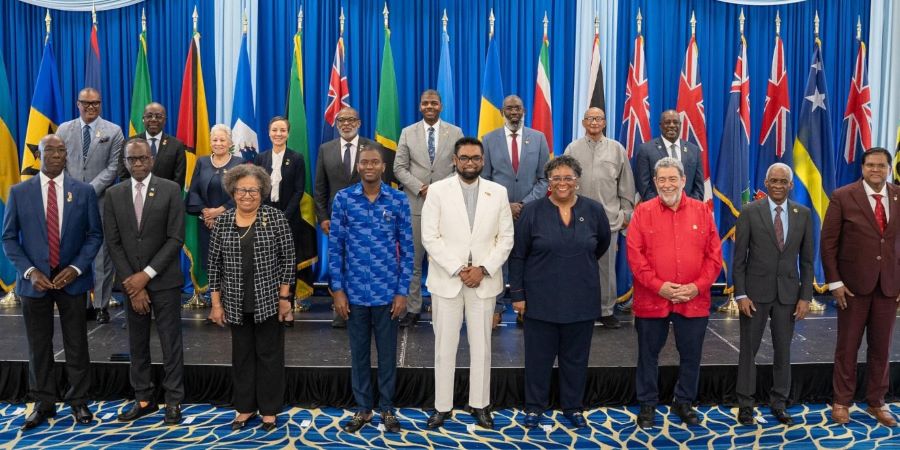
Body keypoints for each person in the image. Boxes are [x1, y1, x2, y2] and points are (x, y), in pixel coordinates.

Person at [2, 134, 102, 430]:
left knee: (77, 344)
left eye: (61, 150)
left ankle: (78, 401)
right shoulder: (19, 192)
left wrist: (76, 268)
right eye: (50, 150)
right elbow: (8, 238)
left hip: (71, 281)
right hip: (35, 283)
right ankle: (43, 403)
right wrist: (30, 272)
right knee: (38, 345)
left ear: (66, 154)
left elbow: (95, 235)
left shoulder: (83, 192)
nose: (56, 154)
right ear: (39, 154)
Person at [508, 155, 611, 429]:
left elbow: (600, 244)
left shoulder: (594, 210)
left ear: (577, 181)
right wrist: (517, 295)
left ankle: (573, 407)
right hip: (539, 302)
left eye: (568, 178)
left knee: (575, 359)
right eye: (556, 178)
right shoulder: (531, 212)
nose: (562, 183)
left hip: (581, 299)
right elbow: (518, 255)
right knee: (538, 358)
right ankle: (534, 407)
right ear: (548, 183)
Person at [421, 137, 514, 430]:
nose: (470, 163)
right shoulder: (436, 191)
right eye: (464, 158)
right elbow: (430, 237)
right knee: (444, 347)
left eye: (475, 158)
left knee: (482, 347)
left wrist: (482, 269)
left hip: (484, 282)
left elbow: (506, 238)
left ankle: (480, 404)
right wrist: (460, 269)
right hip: (448, 280)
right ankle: (442, 407)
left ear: (483, 161)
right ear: (454, 160)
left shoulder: (498, 192)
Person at [626, 157, 722, 429]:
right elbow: (635, 258)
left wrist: (696, 287)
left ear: (683, 180)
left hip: (693, 300)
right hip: (652, 299)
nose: (667, 185)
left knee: (691, 355)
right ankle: (647, 404)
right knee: (648, 355)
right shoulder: (642, 212)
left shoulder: (702, 211)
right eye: (661, 180)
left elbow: (714, 257)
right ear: (654, 183)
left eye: (672, 179)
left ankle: (684, 402)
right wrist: (660, 286)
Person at [329, 146, 414, 433]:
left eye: (374, 162)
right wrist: (337, 290)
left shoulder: (398, 200)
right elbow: (335, 248)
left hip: (388, 294)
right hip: (353, 295)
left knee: (388, 355)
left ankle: (387, 409)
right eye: (364, 162)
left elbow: (409, 251)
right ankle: (364, 409)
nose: (369, 166)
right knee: (359, 354)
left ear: (383, 167)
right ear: (358, 167)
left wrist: (403, 292)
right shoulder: (343, 199)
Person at [104, 139, 186, 426]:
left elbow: (176, 238)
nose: (137, 164)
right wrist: (132, 283)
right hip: (130, 284)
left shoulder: (171, 190)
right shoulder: (113, 195)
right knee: (136, 342)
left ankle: (173, 401)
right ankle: (143, 398)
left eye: (142, 159)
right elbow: (113, 243)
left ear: (151, 159)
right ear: (124, 162)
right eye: (131, 160)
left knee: (170, 342)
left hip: (164, 281)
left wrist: (146, 275)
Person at [207, 164, 295, 431]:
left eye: (253, 190)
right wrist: (215, 304)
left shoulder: (275, 218)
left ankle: (269, 410)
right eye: (242, 190)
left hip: (268, 302)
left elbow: (288, 260)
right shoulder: (222, 221)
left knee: (270, 356)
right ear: (233, 192)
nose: (247, 195)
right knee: (242, 357)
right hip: (234, 302)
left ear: (263, 192)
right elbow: (214, 266)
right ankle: (244, 408)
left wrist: (284, 298)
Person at [822, 147, 900, 427]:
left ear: (889, 169)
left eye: (881, 165)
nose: (876, 170)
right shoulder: (843, 196)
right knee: (848, 347)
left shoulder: (898, 196)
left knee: (882, 348)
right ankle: (842, 402)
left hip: (889, 287)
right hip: (852, 288)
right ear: (863, 168)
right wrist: (835, 282)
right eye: (870, 165)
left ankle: (876, 402)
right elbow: (828, 244)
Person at [733, 163, 813, 426]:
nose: (778, 186)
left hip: (789, 296)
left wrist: (805, 296)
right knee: (748, 351)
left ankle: (779, 403)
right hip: (754, 295)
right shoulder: (749, 212)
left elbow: (808, 261)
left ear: (791, 185)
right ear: (766, 184)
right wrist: (741, 294)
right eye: (774, 181)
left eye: (783, 182)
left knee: (784, 352)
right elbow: (739, 259)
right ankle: (745, 405)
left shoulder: (802, 214)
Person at [393, 89, 464, 328]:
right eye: (425, 103)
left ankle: (443, 307)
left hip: (447, 207)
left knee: (445, 259)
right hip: (415, 206)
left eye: (434, 103)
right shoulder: (407, 132)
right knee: (413, 261)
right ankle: (413, 309)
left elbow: (461, 167)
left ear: (441, 106)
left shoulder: (455, 132)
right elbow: (399, 168)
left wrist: (441, 191)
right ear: (420, 107)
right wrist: (422, 188)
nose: (430, 106)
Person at [314, 107, 388, 328]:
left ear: (359, 123)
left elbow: (382, 181)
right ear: (336, 124)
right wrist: (323, 217)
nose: (346, 124)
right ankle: (342, 314)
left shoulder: (373, 147)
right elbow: (320, 187)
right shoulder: (325, 149)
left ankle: (370, 313)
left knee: (367, 263)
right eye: (341, 120)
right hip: (335, 220)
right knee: (339, 264)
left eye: (350, 120)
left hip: (369, 219)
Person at [481, 95, 550, 328]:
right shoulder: (488, 140)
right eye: (509, 108)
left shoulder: (538, 139)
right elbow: (485, 179)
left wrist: (524, 204)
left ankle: (525, 307)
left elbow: (544, 179)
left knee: (529, 259)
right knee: (497, 261)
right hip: (498, 212)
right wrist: (505, 205)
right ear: (502, 111)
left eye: (518, 108)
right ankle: (497, 308)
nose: (514, 112)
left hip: (530, 212)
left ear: (524, 111)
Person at [56, 87, 124, 324]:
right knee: (73, 250)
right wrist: (73, 191)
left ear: (100, 104)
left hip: (101, 201)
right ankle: (80, 303)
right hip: (69, 201)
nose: (91, 107)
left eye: (95, 103)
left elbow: (114, 168)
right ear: (78, 104)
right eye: (86, 103)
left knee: (102, 255)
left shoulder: (113, 131)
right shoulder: (64, 129)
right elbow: (58, 163)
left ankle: (100, 305)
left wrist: (87, 191)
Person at [564, 107, 636, 329]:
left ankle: (606, 311)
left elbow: (626, 185)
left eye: (599, 119)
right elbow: (563, 183)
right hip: (577, 219)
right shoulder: (572, 148)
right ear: (583, 122)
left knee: (606, 268)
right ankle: (577, 307)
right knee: (576, 266)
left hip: (608, 220)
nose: (594, 122)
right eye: (590, 118)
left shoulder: (616, 149)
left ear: (604, 123)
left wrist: (625, 214)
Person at [254, 116, 316, 322]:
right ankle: (269, 299)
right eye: (275, 130)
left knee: (289, 260)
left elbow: (299, 190)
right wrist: (266, 213)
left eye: (282, 130)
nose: (278, 134)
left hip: (290, 216)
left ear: (288, 133)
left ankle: (288, 300)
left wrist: (283, 216)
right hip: (264, 215)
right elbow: (258, 188)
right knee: (267, 259)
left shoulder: (296, 158)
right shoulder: (261, 158)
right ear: (268, 132)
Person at [186, 124, 244, 286]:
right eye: (215, 140)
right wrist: (206, 212)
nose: (218, 143)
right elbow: (194, 191)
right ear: (210, 142)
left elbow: (243, 193)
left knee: (231, 265)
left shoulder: (240, 163)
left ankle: (232, 301)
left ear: (230, 143)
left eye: (222, 140)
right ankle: (215, 302)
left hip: (232, 224)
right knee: (211, 265)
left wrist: (219, 212)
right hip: (206, 224)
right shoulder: (202, 162)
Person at [634, 110, 704, 201]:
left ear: (680, 125)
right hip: (657, 211)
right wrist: (663, 207)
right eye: (667, 122)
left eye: (675, 122)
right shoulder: (645, 150)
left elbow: (698, 188)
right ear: (660, 126)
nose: (672, 125)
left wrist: (687, 207)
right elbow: (644, 188)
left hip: (688, 212)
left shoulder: (694, 151)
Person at [121, 102, 187, 189]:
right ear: (143, 119)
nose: (153, 119)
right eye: (149, 116)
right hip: (136, 195)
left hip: (165, 198)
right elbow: (123, 174)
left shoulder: (177, 145)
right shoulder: (129, 143)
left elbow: (179, 178)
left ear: (165, 120)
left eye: (158, 116)